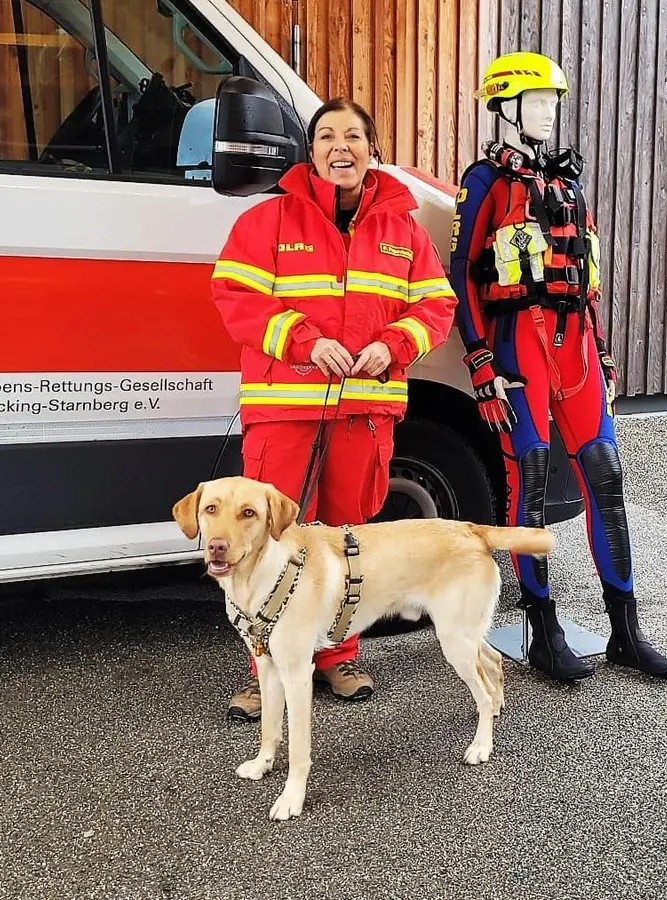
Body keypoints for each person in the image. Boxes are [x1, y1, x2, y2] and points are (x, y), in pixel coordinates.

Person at [209, 98, 459, 720]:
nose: (339, 146)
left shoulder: (403, 230)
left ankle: (338, 656)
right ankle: (265, 662)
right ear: (311, 151)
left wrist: (391, 344)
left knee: (348, 542)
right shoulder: (267, 220)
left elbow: (435, 308)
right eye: (326, 136)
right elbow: (234, 297)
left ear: (372, 148)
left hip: (363, 413)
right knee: (268, 541)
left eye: (353, 135)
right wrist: (303, 340)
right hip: (284, 412)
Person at [448, 51, 667, 682]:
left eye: (554, 101)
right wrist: (479, 359)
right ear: (504, 107)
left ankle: (626, 630)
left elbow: (581, 282)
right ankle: (543, 629)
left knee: (606, 475)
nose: (550, 111)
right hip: (520, 341)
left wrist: (602, 354)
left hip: (576, 344)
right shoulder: (486, 182)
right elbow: (462, 273)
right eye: (538, 100)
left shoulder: (568, 184)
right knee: (530, 475)